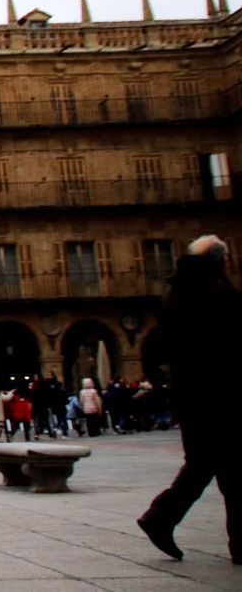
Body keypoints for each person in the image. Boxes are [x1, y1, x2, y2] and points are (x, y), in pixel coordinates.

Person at [137, 234, 241, 563]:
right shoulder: (218, 294)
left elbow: (162, 348)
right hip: (222, 397)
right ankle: (160, 518)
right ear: (221, 261)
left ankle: (161, 518)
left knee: (208, 467)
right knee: (225, 470)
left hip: (190, 397)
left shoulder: (176, 295)